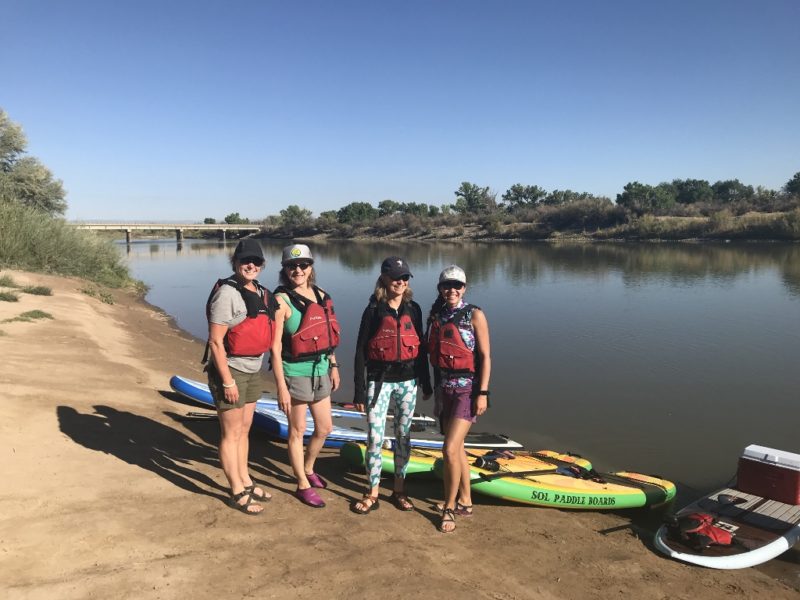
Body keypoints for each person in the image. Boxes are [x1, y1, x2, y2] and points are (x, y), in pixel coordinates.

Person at [351, 257, 433, 514]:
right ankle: (372, 491)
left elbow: (421, 349)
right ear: (384, 278)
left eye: (405, 277)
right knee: (375, 439)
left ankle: (399, 489)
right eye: (396, 277)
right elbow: (360, 351)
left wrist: (426, 382)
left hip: (408, 382)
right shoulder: (374, 310)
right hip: (379, 381)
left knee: (403, 437)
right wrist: (359, 389)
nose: (400, 282)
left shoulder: (414, 308)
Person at [205, 238, 277, 515]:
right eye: (245, 260)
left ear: (262, 266)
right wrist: (227, 381)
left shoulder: (260, 291)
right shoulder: (227, 294)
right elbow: (215, 342)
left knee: (245, 429)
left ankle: (246, 479)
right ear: (234, 263)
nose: (251, 265)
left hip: (252, 368)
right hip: (231, 370)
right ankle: (236, 489)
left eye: (256, 261)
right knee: (231, 433)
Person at [271, 243, 340, 508]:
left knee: (324, 428)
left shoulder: (321, 295)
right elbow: (274, 348)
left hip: (321, 368)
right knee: (297, 430)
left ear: (311, 267)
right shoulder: (280, 301)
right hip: (294, 372)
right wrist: (281, 386)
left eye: (303, 265)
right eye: (291, 266)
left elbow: (328, 337)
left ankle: (309, 467)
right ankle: (301, 483)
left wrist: (334, 365)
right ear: (284, 270)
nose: (297, 270)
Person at [427, 265, 491, 533]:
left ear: (464, 288)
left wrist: (483, 393)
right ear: (440, 289)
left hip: (467, 390)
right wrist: (434, 392)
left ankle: (449, 507)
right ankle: (466, 500)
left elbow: (486, 357)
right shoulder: (437, 316)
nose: (451, 290)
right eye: (446, 286)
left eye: (457, 286)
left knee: (449, 450)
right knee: (459, 448)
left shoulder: (474, 314)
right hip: (445, 389)